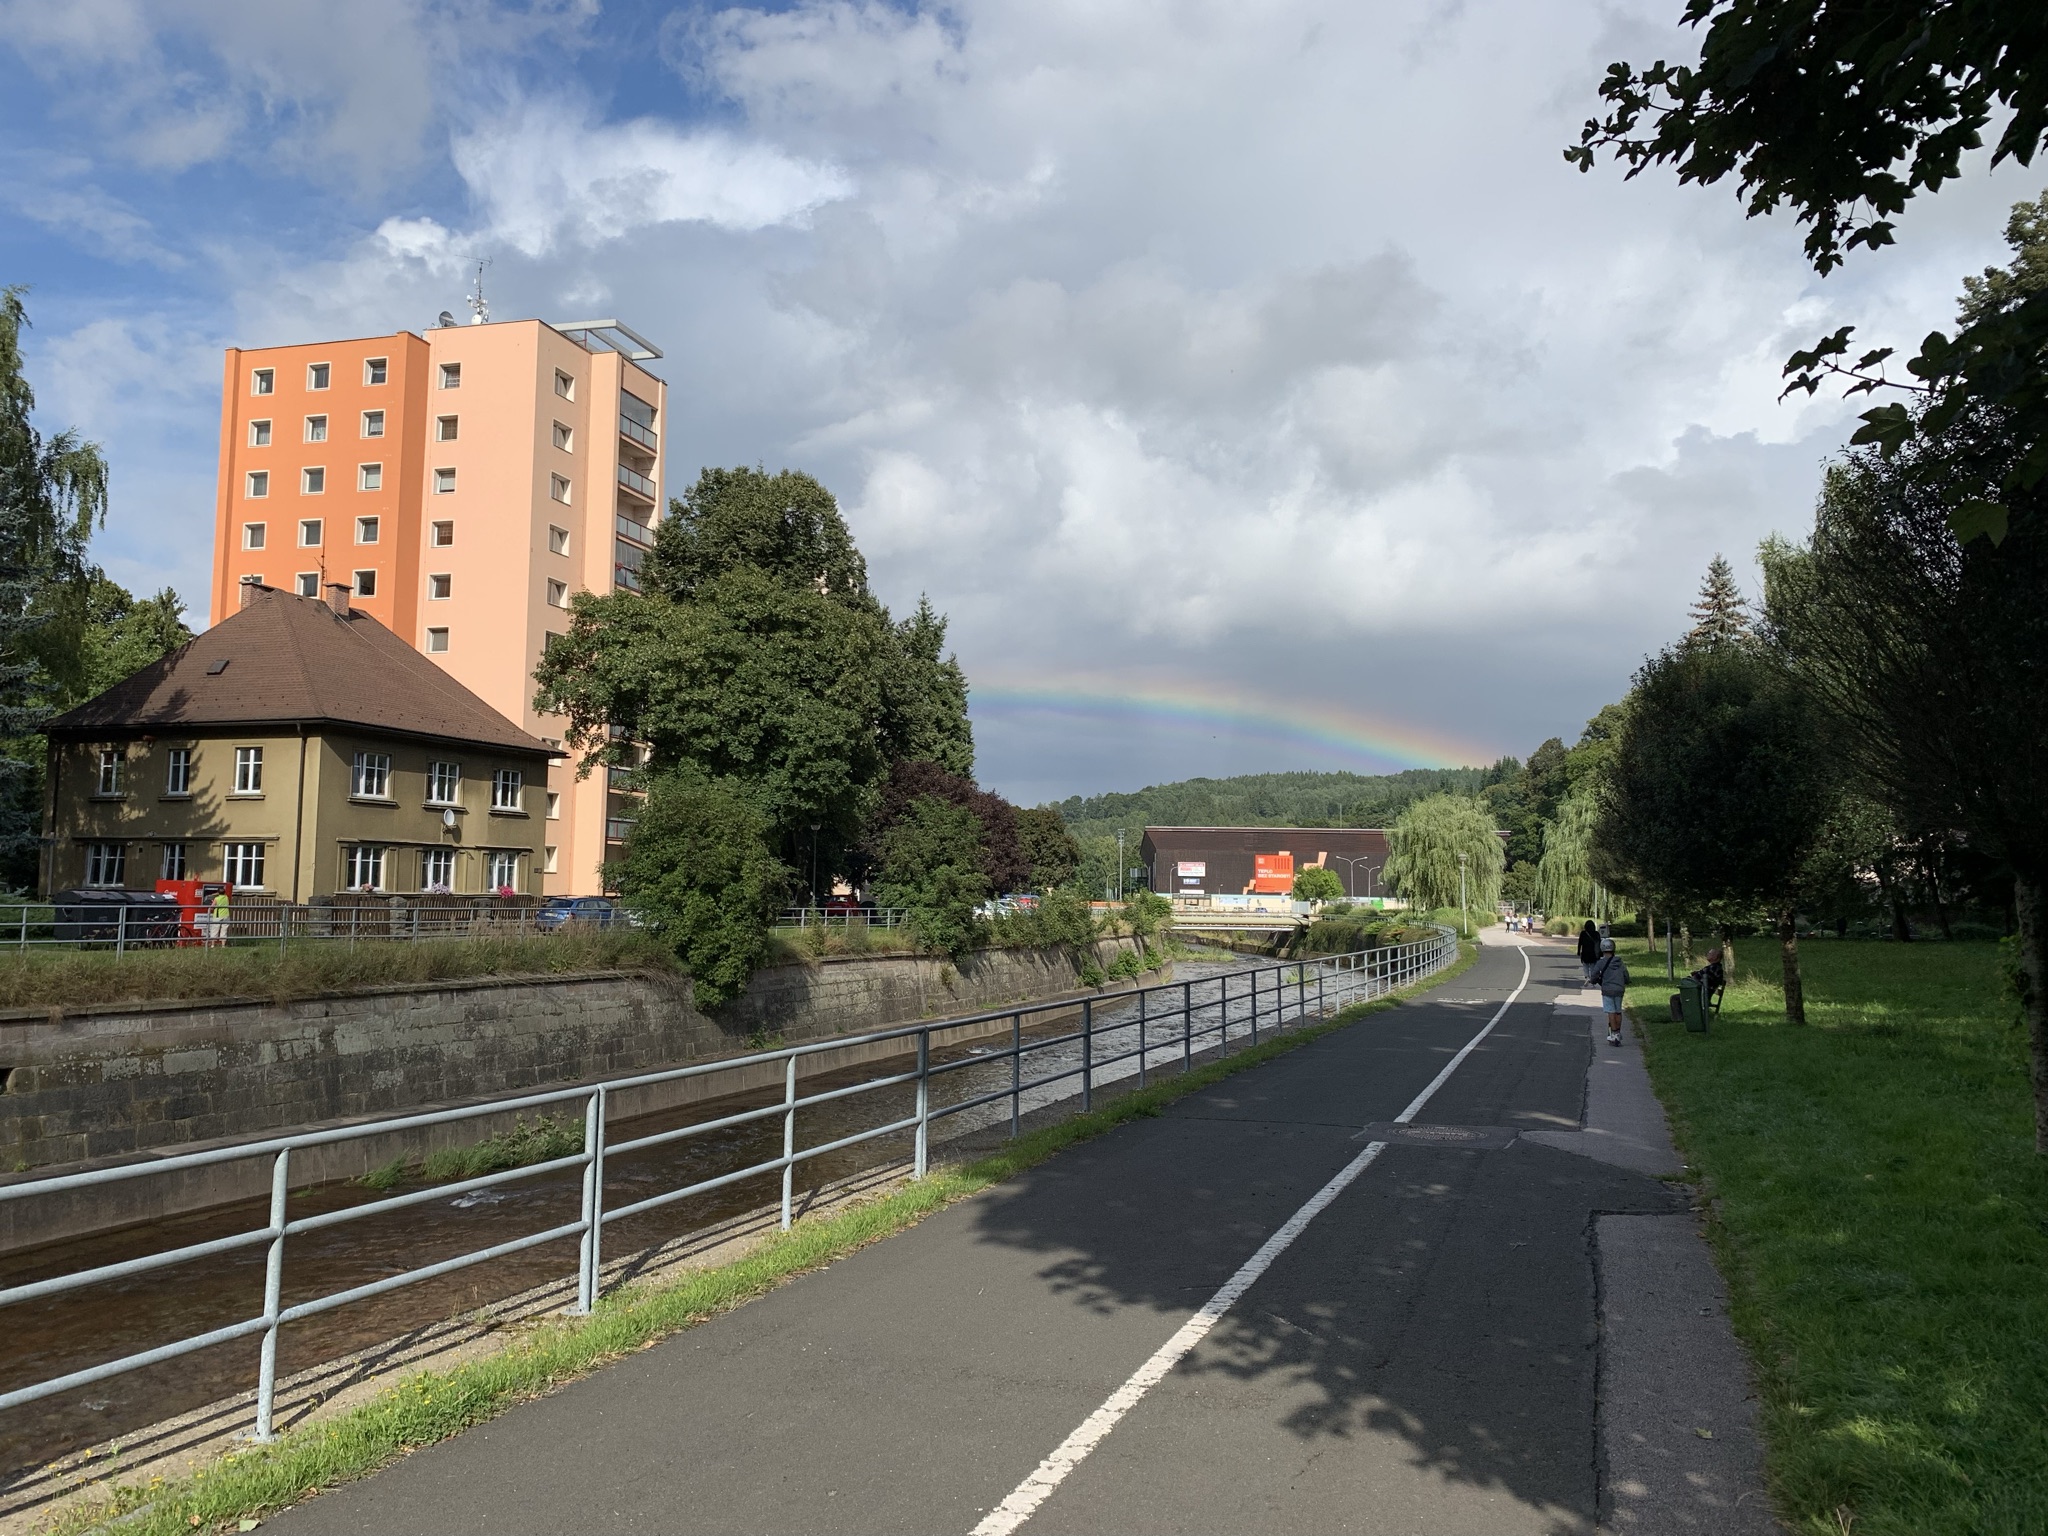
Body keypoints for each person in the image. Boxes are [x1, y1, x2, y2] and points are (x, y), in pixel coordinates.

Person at [1591, 937, 1630, 1046]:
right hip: (1619, 989)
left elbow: (1594, 975)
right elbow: (1626, 975)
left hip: (1607, 990)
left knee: (1611, 1012)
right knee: (1618, 1011)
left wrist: (1593, 980)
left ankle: (1613, 1034)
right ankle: (1618, 1032)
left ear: (1602, 949)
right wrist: (1626, 981)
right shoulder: (1620, 962)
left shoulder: (1600, 963)